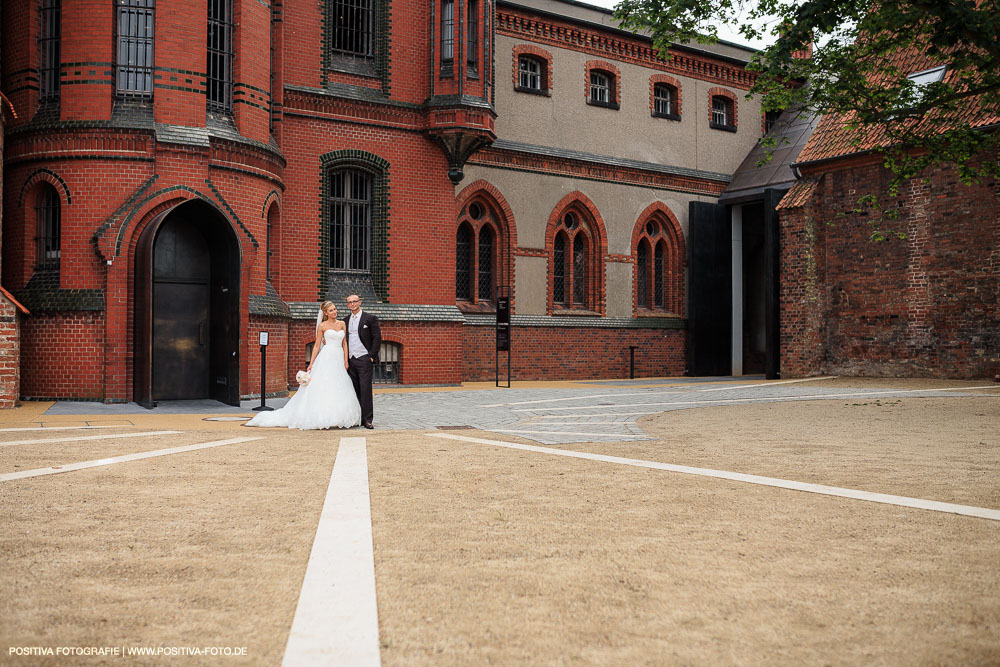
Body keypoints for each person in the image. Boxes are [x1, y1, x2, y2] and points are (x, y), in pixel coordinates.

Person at [244, 301, 361, 429]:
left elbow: (344, 343)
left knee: (340, 384)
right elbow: (317, 346)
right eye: (332, 310)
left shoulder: (342, 324)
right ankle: (322, 415)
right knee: (324, 383)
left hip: (339, 356)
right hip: (327, 356)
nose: (335, 311)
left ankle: (341, 416)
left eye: (335, 309)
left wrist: (345, 360)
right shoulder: (322, 326)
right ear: (326, 313)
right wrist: (311, 363)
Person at [344, 294, 381, 429]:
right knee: (354, 390)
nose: (352, 304)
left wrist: (371, 356)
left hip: (364, 359)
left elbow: (377, 338)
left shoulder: (370, 319)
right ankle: (357, 417)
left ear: (359, 302)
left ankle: (367, 419)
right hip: (351, 360)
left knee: (365, 390)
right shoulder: (345, 320)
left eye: (354, 301)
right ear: (347, 305)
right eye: (349, 302)